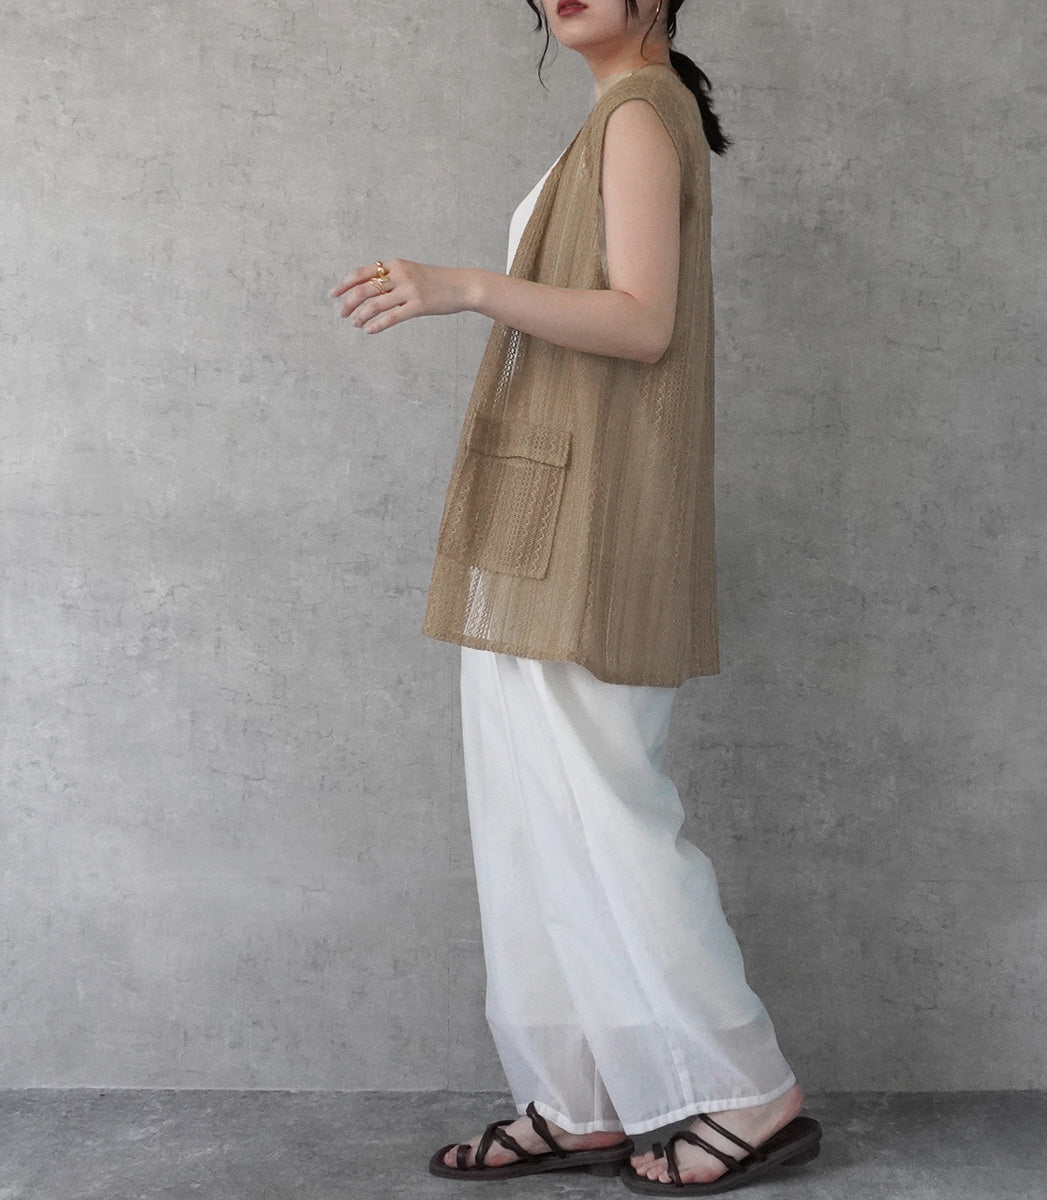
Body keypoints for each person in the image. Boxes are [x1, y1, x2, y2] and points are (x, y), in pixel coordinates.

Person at [330, 1, 821, 1192]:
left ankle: (748, 1093)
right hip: (550, 515)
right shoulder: (617, 117)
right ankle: (580, 1097)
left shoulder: (642, 113)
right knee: (531, 817)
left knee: (602, 808)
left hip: (595, 522)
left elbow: (643, 323)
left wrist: (465, 285)